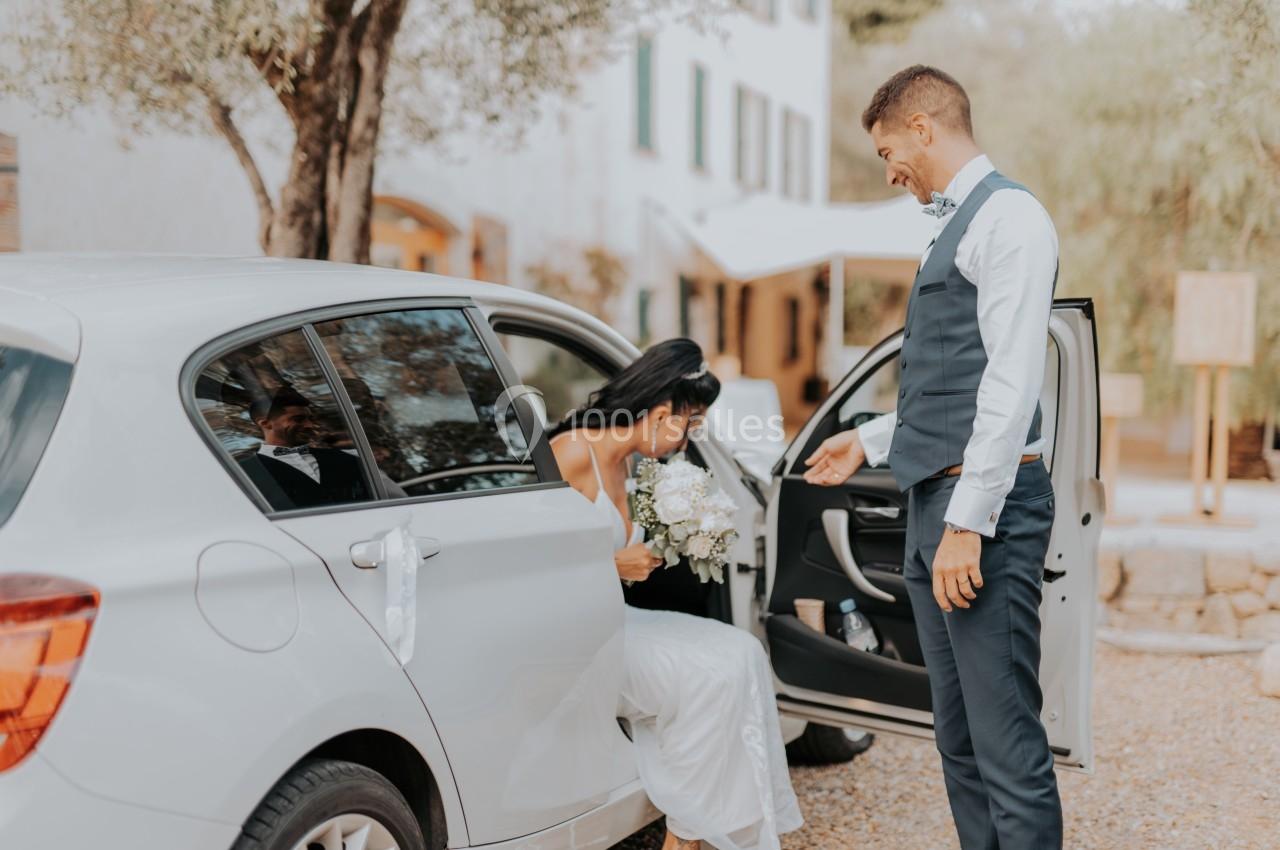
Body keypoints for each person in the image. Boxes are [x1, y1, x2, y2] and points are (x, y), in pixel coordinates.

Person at [803, 65, 1062, 849]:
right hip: (930, 505)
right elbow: (955, 379)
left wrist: (967, 525)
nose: (890, 172)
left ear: (923, 126)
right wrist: (873, 437)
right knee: (957, 740)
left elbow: (1011, 387)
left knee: (1006, 743)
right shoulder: (952, 227)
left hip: (980, 511)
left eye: (888, 151)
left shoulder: (1011, 219)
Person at [548, 339, 802, 850]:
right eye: (689, 427)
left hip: (612, 619)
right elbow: (525, 561)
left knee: (743, 653)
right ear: (662, 413)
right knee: (707, 677)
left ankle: (705, 830)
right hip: (573, 634)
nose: (687, 442)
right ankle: (686, 837)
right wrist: (613, 564)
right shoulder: (572, 453)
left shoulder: (632, 469)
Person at [237, 387, 370, 510]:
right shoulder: (242, 475)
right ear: (266, 424)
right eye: (298, 419)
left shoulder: (349, 459)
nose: (309, 425)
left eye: (310, 419)